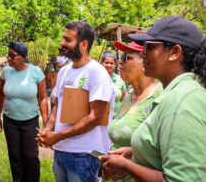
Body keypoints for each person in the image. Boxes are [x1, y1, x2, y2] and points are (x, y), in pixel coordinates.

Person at [100, 16, 206, 181]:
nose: (143, 55)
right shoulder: (174, 93)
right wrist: (137, 152)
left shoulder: (183, 102)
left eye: (149, 48)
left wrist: (127, 166)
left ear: (174, 53)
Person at [37, 20, 114, 182]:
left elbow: (96, 117)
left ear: (84, 44)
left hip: (84, 155)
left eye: (67, 39)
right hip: (61, 152)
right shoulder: (64, 71)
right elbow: (58, 106)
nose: (61, 43)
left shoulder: (97, 73)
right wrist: (48, 129)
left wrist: (58, 136)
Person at [0, 42, 48, 182]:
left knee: (30, 156)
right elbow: (0, 94)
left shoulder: (35, 72)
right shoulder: (6, 72)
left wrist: (46, 123)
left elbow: (43, 98)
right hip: (10, 121)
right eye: (8, 55)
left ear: (22, 57)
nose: (9, 58)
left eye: (12, 55)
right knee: (15, 157)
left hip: (30, 121)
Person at [108, 41, 162, 151]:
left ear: (145, 61)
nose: (120, 62)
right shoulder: (130, 95)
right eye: (121, 57)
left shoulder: (160, 95)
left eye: (126, 57)